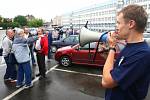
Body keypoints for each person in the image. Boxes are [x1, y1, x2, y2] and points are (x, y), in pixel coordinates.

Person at [102, 4, 150, 100]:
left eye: (118, 23)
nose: (116, 27)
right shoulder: (131, 47)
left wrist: (112, 48)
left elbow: (106, 82)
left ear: (131, 24)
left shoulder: (142, 54)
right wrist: (108, 57)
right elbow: (122, 68)